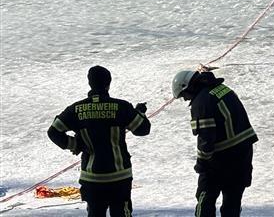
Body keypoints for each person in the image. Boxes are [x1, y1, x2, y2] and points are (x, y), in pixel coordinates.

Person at [47, 65, 151, 217]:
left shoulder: (76, 109)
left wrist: (75, 145)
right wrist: (140, 112)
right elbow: (143, 129)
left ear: (89, 83)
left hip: (92, 179)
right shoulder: (121, 107)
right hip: (119, 177)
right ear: (108, 84)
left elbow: (53, 132)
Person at [172, 69, 258, 217]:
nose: (185, 100)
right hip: (244, 153)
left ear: (189, 87)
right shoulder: (222, 89)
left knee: (205, 198)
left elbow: (206, 140)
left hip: (222, 158)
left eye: (184, 95)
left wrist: (201, 164)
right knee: (232, 201)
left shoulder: (202, 102)